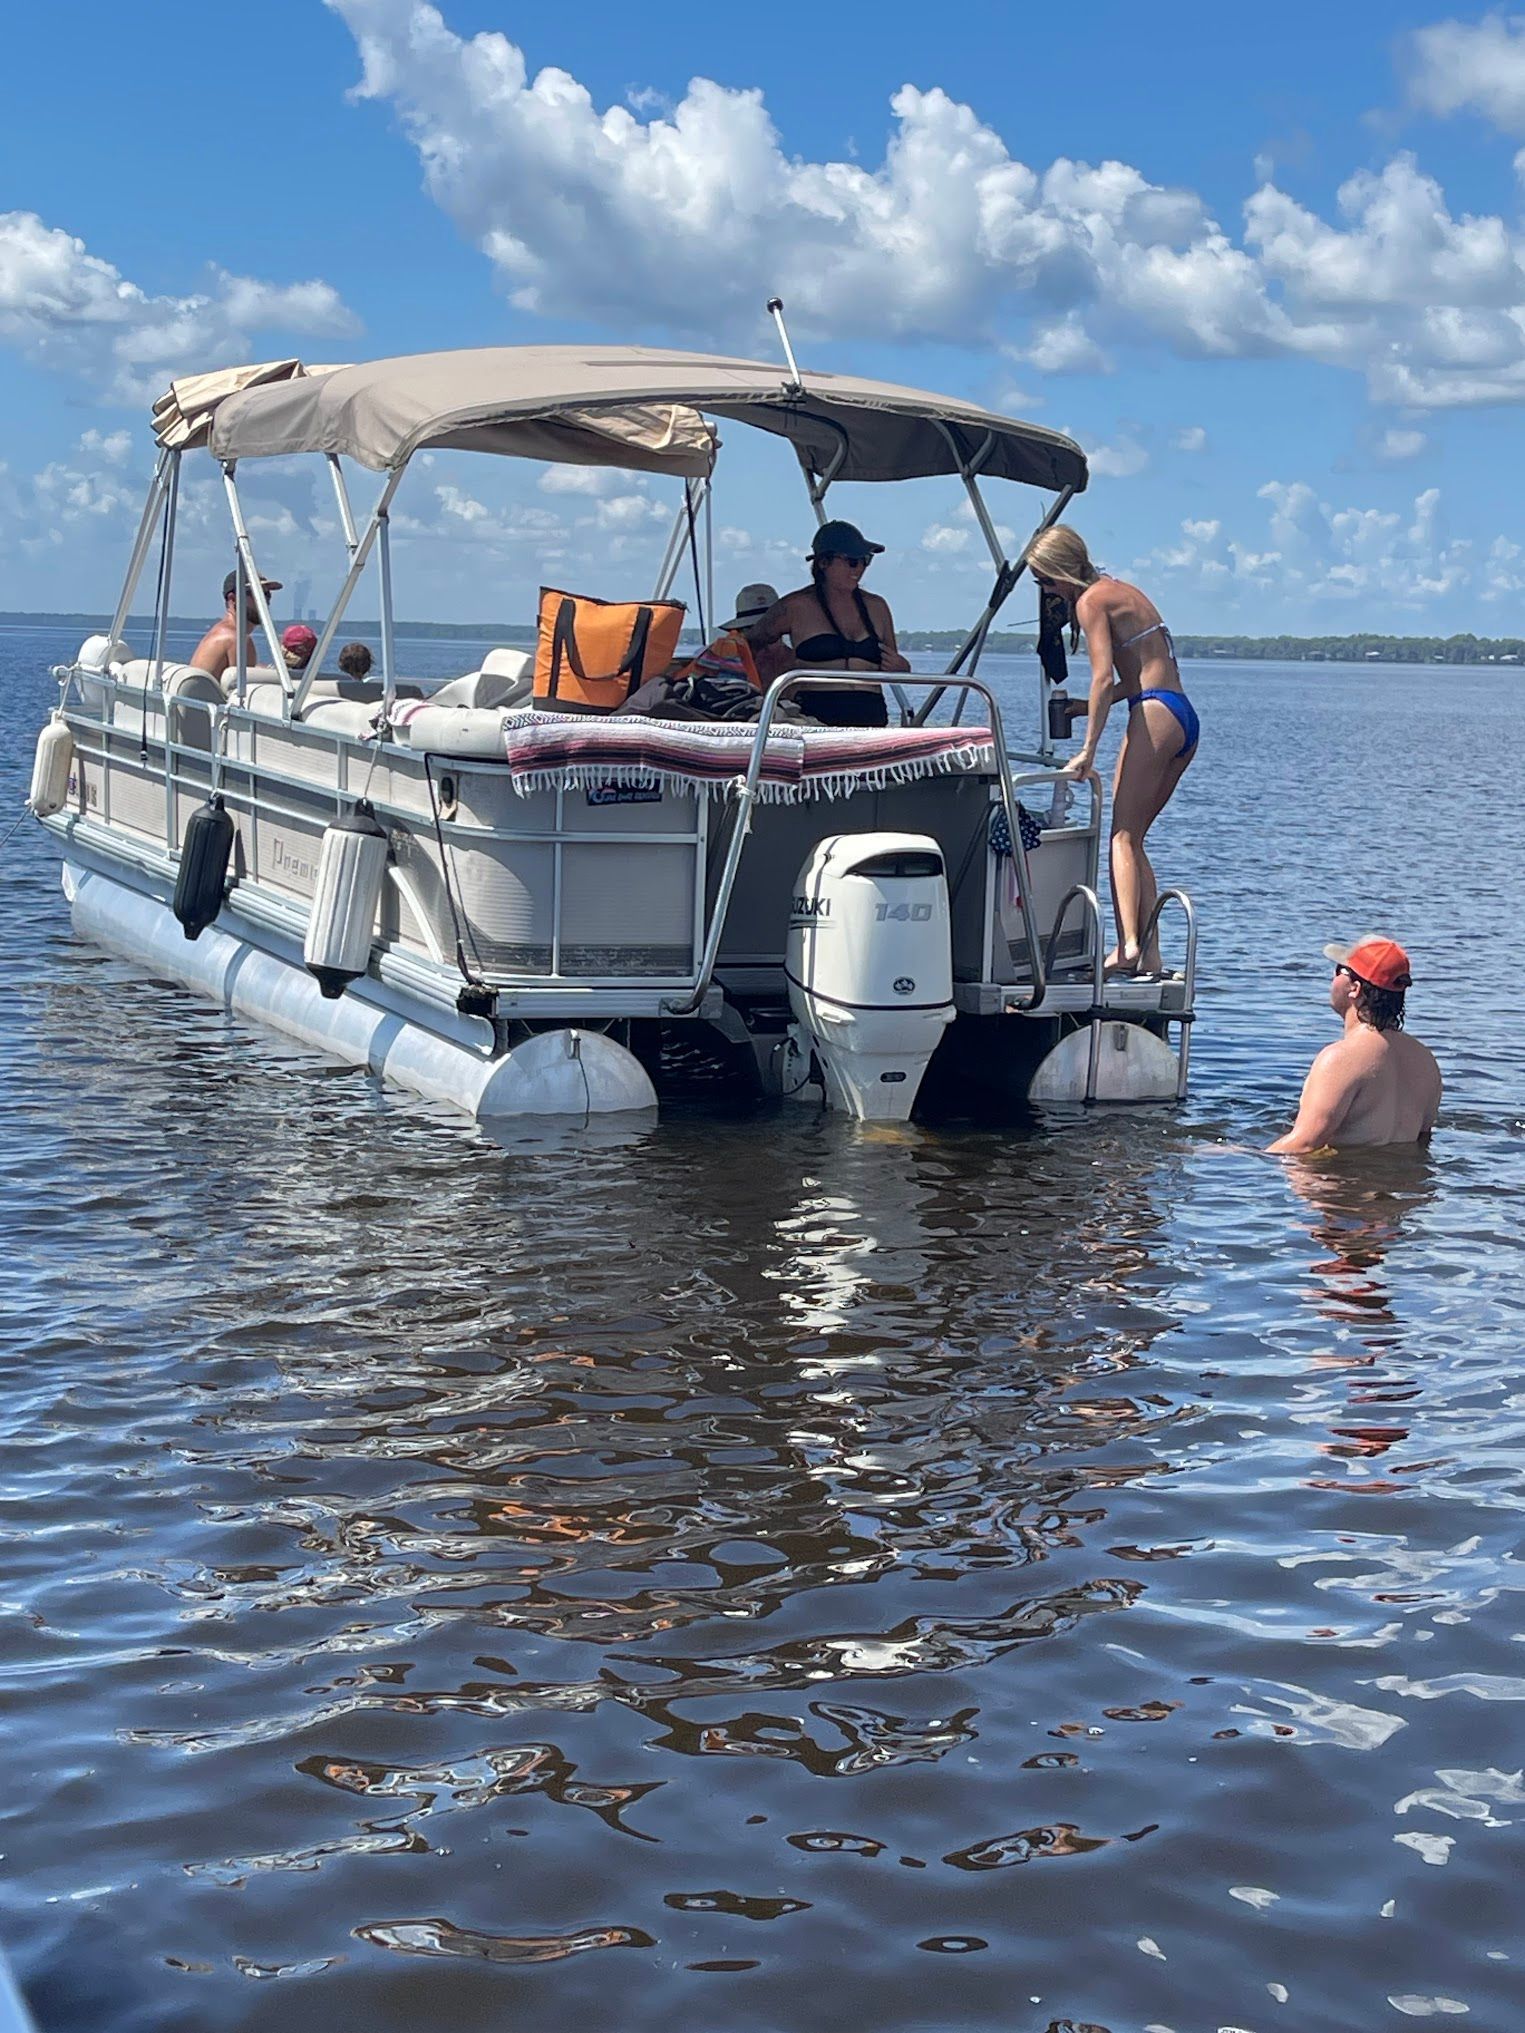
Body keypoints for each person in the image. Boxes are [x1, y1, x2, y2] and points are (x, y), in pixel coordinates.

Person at [1029, 526, 1197, 976]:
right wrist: (1090, 708)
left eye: (1044, 581)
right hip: (1181, 714)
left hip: (1155, 713)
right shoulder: (1121, 590)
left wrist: (1087, 751)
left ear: (1060, 571)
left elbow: (1102, 676)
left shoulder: (1089, 601)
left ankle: (1125, 948)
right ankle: (1152, 956)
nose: (1047, 591)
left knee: (1121, 837)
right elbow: (1140, 671)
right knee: (1135, 840)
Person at [1268, 937, 1441, 1153]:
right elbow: (1422, 1142)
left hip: (1341, 1184)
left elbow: (1304, 1143)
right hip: (1397, 1184)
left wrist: (1239, 1155)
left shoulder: (1340, 1058)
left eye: (1339, 970)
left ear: (1355, 988)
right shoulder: (1426, 1060)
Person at [749, 521, 911, 727]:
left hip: (872, 716)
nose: (860, 567)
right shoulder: (795, 606)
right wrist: (775, 677)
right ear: (823, 563)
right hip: (816, 718)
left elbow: (893, 666)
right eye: (852, 561)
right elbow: (749, 646)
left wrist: (903, 667)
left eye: (865, 560)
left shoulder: (878, 607)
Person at [191, 568, 283, 684]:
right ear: (233, 599)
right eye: (258, 593)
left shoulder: (222, 633)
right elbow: (243, 696)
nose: (265, 600)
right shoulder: (237, 640)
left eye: (267, 594)